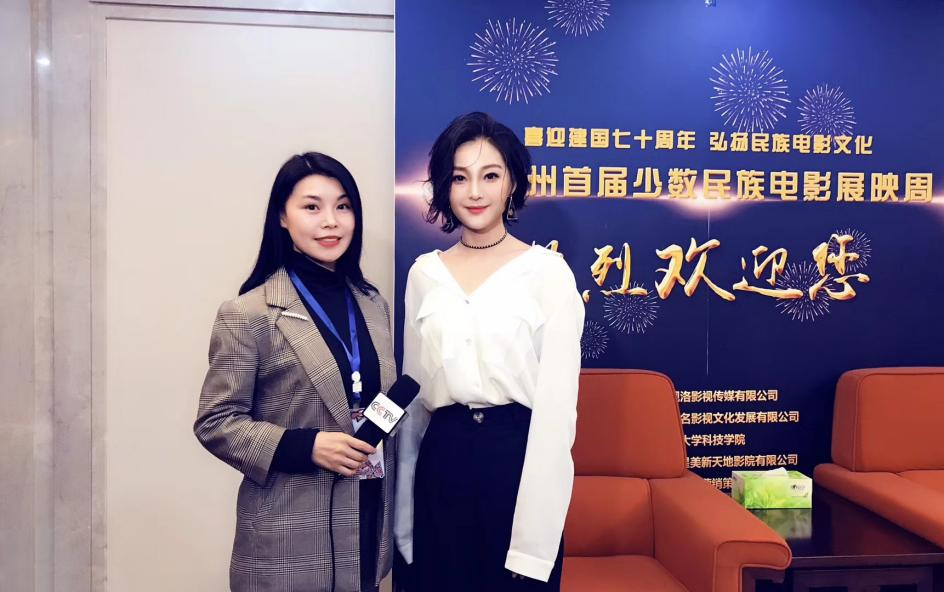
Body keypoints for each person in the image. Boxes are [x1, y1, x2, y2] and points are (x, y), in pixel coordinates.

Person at [395, 112, 584, 591]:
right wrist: (403, 518)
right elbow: (414, 402)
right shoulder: (424, 275)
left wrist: (534, 540)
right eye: (460, 177)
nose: (475, 192)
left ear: (512, 183)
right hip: (442, 460)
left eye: (490, 176)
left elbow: (556, 412)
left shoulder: (548, 273)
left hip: (514, 458)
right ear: (444, 186)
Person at [195, 152, 396, 592]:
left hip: (366, 525)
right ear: (282, 218)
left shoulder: (373, 305)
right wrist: (306, 446)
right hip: (287, 540)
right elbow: (215, 422)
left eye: (343, 206)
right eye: (312, 207)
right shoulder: (248, 313)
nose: (331, 221)